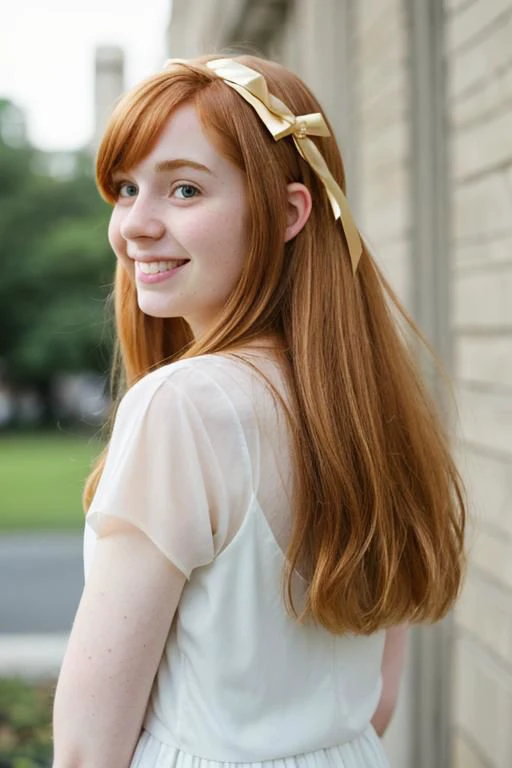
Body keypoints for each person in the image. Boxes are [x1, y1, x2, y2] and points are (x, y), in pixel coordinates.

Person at [52, 54, 466, 768]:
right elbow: (377, 700)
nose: (134, 226)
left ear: (288, 212)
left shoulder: (181, 406)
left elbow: (89, 749)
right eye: (126, 188)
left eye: (183, 189)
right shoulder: (369, 403)